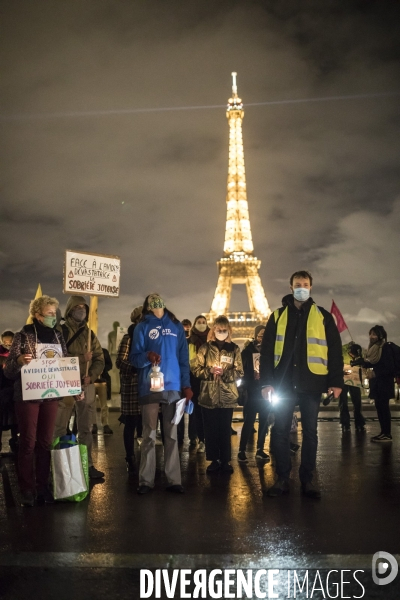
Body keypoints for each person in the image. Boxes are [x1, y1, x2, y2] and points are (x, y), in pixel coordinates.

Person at [260, 271, 343, 498]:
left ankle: (308, 479)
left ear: (311, 287)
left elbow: (334, 351)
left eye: (305, 284)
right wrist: (266, 382)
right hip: (283, 384)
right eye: (298, 284)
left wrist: (336, 382)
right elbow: (266, 352)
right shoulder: (277, 317)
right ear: (290, 287)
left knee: (311, 433)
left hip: (311, 382)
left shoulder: (323, 317)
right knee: (279, 431)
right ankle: (283, 478)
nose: (301, 288)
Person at [4, 296, 68, 506]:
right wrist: (19, 361)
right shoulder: (22, 337)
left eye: (54, 313)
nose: (53, 317)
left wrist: (73, 387)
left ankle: (42, 486)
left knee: (45, 443)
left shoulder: (58, 337)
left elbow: (65, 366)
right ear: (37, 315)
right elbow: (10, 372)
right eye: (49, 313)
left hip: (51, 395)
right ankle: (27, 488)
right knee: (28, 443)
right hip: (28, 396)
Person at [130, 293, 192, 494]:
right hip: (150, 386)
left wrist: (186, 385)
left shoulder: (176, 327)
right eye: (152, 298)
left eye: (159, 297)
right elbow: (135, 359)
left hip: (172, 386)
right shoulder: (142, 327)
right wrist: (148, 357)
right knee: (148, 434)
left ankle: (174, 479)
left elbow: (184, 359)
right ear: (147, 305)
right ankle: (145, 480)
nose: (156, 300)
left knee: (171, 435)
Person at [54, 295, 105, 479]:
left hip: (86, 385)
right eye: (78, 307)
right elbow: (56, 360)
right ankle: (58, 468)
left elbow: (99, 358)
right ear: (70, 309)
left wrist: (91, 376)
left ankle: (87, 465)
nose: (81, 310)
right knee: (59, 427)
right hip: (66, 384)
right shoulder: (60, 332)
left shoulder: (89, 333)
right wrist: (82, 359)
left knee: (86, 428)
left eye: (84, 307)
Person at [193, 315, 243, 474]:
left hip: (227, 396)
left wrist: (225, 374)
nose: (221, 332)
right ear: (213, 330)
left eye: (224, 330)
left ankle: (226, 460)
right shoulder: (204, 349)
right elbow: (195, 369)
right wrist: (210, 371)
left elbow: (239, 371)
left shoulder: (234, 349)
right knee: (211, 430)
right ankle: (214, 460)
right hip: (209, 395)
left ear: (228, 331)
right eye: (219, 329)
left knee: (224, 430)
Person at [116, 306, 143, 474]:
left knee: (147, 422)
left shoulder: (149, 337)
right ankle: (130, 456)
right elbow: (120, 361)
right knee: (131, 422)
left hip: (147, 385)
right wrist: (137, 368)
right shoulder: (129, 338)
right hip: (133, 385)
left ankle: (144, 457)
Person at [238, 325, 270, 462]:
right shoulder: (246, 352)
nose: (262, 338)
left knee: (264, 421)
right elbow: (241, 371)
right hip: (251, 391)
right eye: (260, 335)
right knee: (248, 422)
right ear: (256, 335)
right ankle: (241, 450)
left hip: (265, 391)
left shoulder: (269, 351)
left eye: (265, 335)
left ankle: (260, 449)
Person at [357, 326, 395, 442]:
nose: (371, 337)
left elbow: (389, 367)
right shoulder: (373, 349)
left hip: (384, 383)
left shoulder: (385, 348)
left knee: (384, 408)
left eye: (374, 334)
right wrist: (363, 362)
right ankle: (383, 432)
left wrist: (375, 373)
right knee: (379, 408)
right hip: (377, 384)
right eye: (370, 334)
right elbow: (374, 362)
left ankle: (387, 434)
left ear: (380, 336)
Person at [188, 315, 210, 453]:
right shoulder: (189, 341)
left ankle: (207, 438)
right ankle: (200, 438)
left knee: (207, 412)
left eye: (203, 322)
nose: (201, 324)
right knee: (196, 411)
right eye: (199, 322)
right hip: (194, 379)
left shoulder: (211, 341)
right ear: (194, 324)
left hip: (208, 379)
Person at [339, 343, 366, 432]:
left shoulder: (359, 353)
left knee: (357, 402)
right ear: (349, 352)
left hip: (355, 381)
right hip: (343, 380)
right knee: (343, 402)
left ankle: (359, 423)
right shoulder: (342, 353)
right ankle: (345, 424)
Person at [0, 330, 18, 454]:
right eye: (5, 341)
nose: (8, 343)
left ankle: (15, 443)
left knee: (15, 421)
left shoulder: (17, 354)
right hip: (1, 391)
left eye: (10, 341)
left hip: (13, 391)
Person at [92, 347, 113, 435]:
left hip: (102, 381)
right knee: (91, 404)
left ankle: (105, 424)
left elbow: (110, 365)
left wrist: (102, 369)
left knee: (103, 405)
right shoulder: (90, 352)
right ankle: (93, 424)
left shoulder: (104, 352)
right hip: (92, 381)